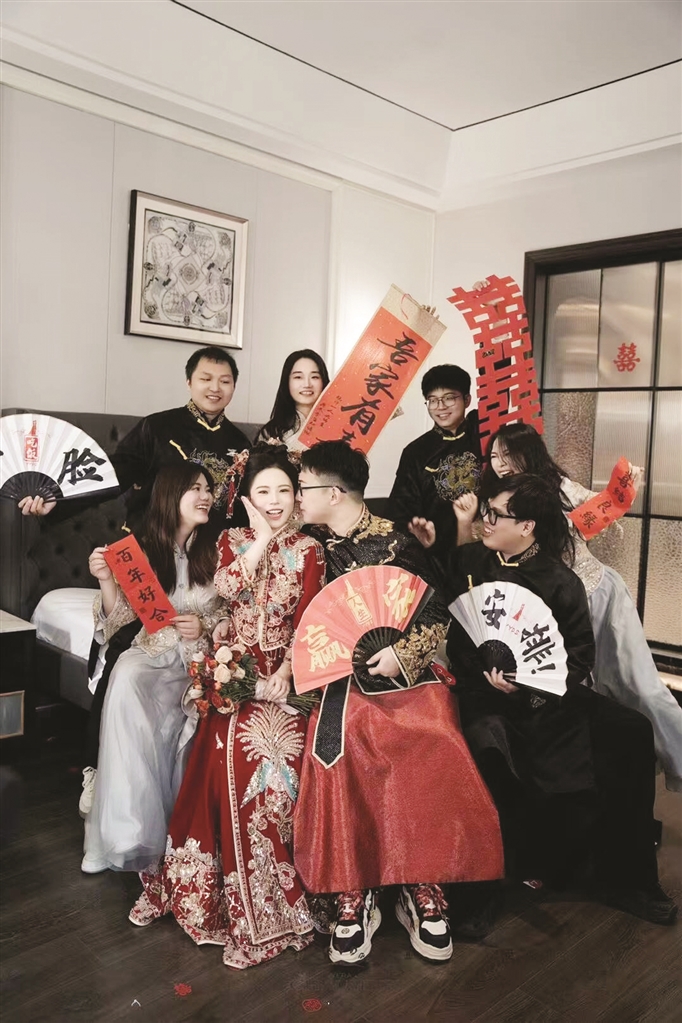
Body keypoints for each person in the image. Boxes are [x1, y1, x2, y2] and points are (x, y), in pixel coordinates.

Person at [293, 440, 504, 965]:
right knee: (342, 742)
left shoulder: (394, 542)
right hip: (337, 681)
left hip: (402, 675)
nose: (297, 497)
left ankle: (421, 881)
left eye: (304, 488)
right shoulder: (305, 545)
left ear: (334, 493)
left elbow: (434, 613)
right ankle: (354, 888)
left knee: (434, 734)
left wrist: (400, 654)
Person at [446, 473, 677, 925]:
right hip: (484, 695)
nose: (485, 520)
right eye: (487, 510)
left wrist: (531, 688)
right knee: (490, 742)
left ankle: (629, 880)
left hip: (545, 698)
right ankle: (483, 891)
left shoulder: (559, 580)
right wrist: (485, 674)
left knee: (630, 729)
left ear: (527, 526)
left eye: (496, 514)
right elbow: (457, 640)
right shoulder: (470, 563)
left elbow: (578, 656)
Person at [128, 446, 326, 969]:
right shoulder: (231, 541)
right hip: (234, 675)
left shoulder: (311, 549)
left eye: (284, 490)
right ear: (247, 498)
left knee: (279, 770)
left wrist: (286, 674)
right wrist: (259, 540)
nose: (275, 501)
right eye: (264, 491)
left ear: (297, 496)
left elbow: (309, 620)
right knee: (232, 756)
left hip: (282, 683)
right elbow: (226, 589)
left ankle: (278, 899)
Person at [467, 423, 682, 794]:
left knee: (639, 685)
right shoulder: (495, 498)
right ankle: (602, 780)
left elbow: (605, 505)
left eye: (508, 455)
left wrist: (624, 487)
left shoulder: (558, 488)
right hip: (550, 608)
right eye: (495, 456)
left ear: (528, 454)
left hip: (598, 594)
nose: (500, 464)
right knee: (576, 695)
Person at [81, 463, 223, 874]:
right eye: (194, 488)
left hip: (200, 657)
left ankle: (179, 833)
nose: (205, 496)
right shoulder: (139, 551)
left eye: (208, 489)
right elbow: (120, 619)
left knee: (189, 700)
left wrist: (205, 625)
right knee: (126, 678)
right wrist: (105, 580)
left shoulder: (219, 548)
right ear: (170, 495)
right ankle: (121, 834)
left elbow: (232, 608)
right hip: (152, 651)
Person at [18, 345, 251, 533]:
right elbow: (112, 473)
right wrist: (57, 496)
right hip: (153, 542)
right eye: (205, 379)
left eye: (224, 381)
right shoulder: (157, 427)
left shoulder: (240, 443)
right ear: (189, 382)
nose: (215, 388)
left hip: (213, 553)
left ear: (234, 386)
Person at [387, 364, 481, 565]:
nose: (440, 406)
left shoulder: (483, 434)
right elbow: (400, 511)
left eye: (449, 398)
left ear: (467, 400)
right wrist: (416, 532)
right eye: (433, 400)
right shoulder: (416, 451)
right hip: (435, 556)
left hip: (486, 552)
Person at [256, 349, 329, 448]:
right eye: (298, 377)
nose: (307, 384)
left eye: (314, 377)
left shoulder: (336, 426)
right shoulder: (271, 432)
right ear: (287, 382)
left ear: (323, 381)